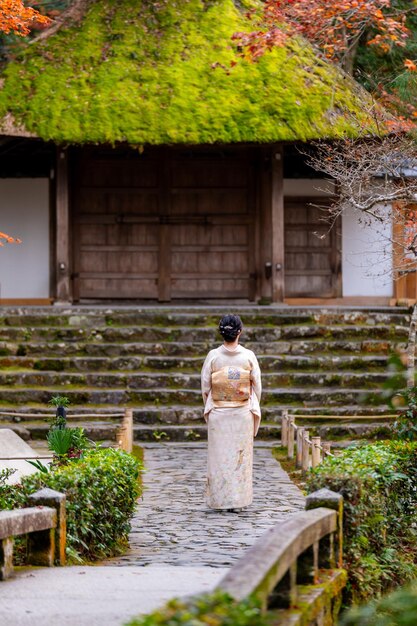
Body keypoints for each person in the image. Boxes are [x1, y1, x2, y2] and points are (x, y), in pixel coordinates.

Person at [201, 314, 262, 511]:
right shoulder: (248, 356)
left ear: (221, 333)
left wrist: (213, 406)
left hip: (219, 413)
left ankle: (220, 500)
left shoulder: (213, 356)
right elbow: (257, 387)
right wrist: (248, 404)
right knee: (240, 457)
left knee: (219, 458)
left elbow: (205, 387)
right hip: (242, 412)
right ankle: (238, 501)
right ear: (240, 332)